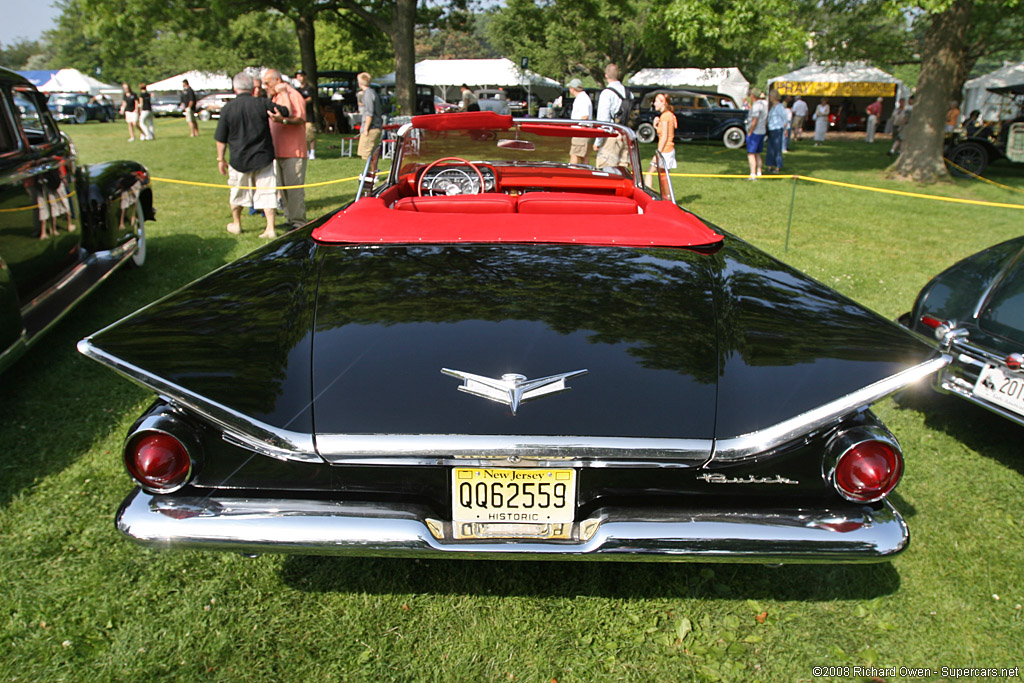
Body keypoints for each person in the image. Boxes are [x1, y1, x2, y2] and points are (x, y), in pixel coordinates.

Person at [214, 72, 289, 238]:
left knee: (237, 191)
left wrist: (221, 159)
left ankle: (237, 224)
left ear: (235, 88)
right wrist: (283, 96)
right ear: (252, 88)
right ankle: (270, 228)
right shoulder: (261, 103)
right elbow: (285, 111)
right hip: (263, 157)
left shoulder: (228, 108)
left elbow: (221, 138)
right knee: (267, 192)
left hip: (238, 158)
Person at [262, 68, 309, 230]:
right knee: (283, 189)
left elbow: (300, 118)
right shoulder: (276, 97)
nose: (265, 86)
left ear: (277, 81)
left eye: (267, 83)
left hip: (293, 151)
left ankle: (298, 222)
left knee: (294, 189)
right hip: (279, 151)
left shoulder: (293, 95)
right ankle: (290, 218)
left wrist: (283, 121)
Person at [593, 63, 629, 169]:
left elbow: (603, 120)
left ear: (606, 76)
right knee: (623, 171)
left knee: (605, 170)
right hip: (626, 134)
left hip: (611, 136)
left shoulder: (607, 93)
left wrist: (598, 141)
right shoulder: (628, 93)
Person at [645, 92, 676, 185]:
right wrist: (656, 126)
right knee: (664, 177)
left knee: (649, 173)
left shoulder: (665, 116)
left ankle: (649, 197)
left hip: (665, 150)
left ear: (663, 103)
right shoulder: (669, 115)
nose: (654, 103)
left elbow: (665, 136)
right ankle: (667, 198)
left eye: (656, 101)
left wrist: (658, 153)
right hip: (669, 149)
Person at [356, 72, 384, 166]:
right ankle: (372, 173)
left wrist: (366, 129)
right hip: (376, 126)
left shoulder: (368, 94)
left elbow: (369, 113)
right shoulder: (372, 93)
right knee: (372, 153)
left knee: (367, 153)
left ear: (360, 82)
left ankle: (369, 174)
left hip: (372, 127)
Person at [566, 78, 592, 165]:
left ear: (572, 88)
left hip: (581, 132)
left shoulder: (582, 99)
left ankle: (572, 175)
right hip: (582, 132)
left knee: (574, 154)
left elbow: (585, 116)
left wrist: (581, 131)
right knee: (584, 156)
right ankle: (585, 175)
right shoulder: (583, 98)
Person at [745, 89, 767, 180]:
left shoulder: (756, 106)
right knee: (758, 153)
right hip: (762, 131)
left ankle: (753, 174)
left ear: (753, 96)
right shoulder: (764, 104)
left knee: (751, 153)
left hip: (755, 132)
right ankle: (759, 172)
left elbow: (755, 120)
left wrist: (750, 131)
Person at [295, 70, 316, 159]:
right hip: (300, 115)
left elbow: (310, 99)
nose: (300, 78)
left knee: (310, 133)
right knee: (302, 134)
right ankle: (306, 151)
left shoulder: (309, 88)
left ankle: (312, 152)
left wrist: (301, 102)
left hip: (309, 115)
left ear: (305, 77)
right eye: (298, 76)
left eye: (301, 76)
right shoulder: (297, 90)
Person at [765, 90, 786, 173]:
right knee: (770, 148)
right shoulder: (772, 107)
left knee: (777, 148)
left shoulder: (780, 107)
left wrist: (784, 129)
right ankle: (769, 166)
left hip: (777, 129)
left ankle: (778, 166)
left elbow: (784, 118)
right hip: (771, 128)